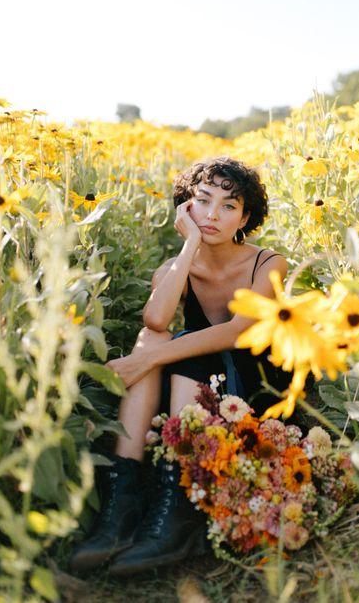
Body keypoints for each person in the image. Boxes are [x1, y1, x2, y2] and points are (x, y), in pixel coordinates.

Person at [70, 156, 290, 576]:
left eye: (229, 205)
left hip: (253, 388)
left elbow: (238, 333)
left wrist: (151, 358)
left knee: (173, 347)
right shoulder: (175, 269)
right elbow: (155, 322)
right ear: (184, 209)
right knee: (155, 339)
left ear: (245, 216)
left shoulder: (268, 263)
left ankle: (180, 506)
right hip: (196, 387)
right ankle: (123, 499)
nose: (213, 215)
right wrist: (188, 247)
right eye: (203, 201)